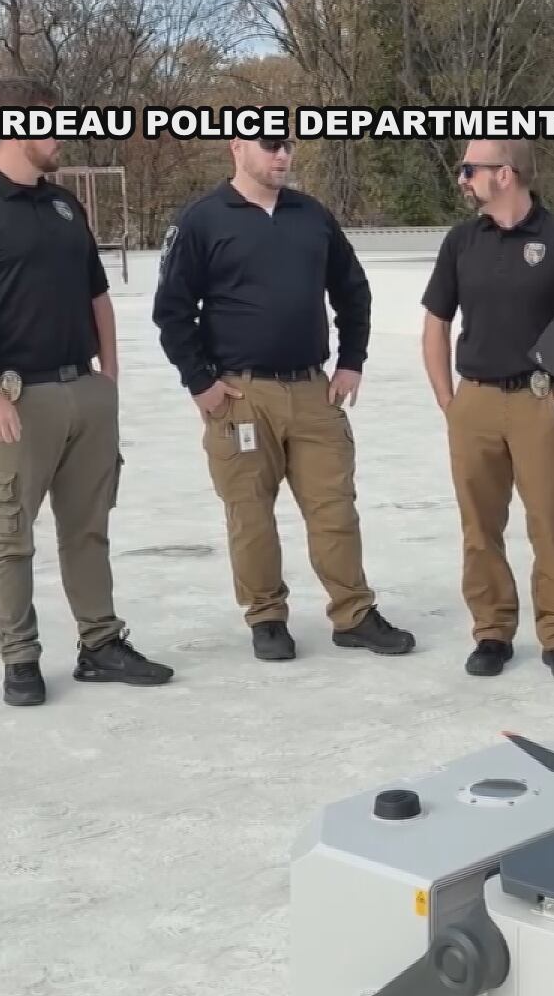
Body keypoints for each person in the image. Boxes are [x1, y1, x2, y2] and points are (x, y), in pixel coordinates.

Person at [0, 76, 174, 707]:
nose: (60, 131)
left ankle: (100, 644)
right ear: (6, 128)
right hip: (15, 398)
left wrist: (109, 376)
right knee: (10, 533)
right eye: (46, 121)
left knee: (88, 527)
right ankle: (21, 658)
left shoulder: (66, 206)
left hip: (83, 392)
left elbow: (97, 294)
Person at [151, 135, 416, 661]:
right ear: (237, 148)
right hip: (241, 395)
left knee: (334, 507)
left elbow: (352, 289)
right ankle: (267, 617)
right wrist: (200, 382)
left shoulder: (311, 215)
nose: (282, 156)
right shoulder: (203, 218)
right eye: (270, 145)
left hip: (314, 390)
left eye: (288, 145)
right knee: (250, 513)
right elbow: (173, 309)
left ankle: (354, 613)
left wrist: (352, 360)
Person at [421, 140, 554, 681]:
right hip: (474, 400)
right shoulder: (460, 241)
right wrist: (448, 402)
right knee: (479, 526)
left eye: (469, 170)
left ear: (505, 174)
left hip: (538, 398)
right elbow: (436, 323)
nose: (462, 179)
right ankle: (491, 632)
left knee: (552, 523)